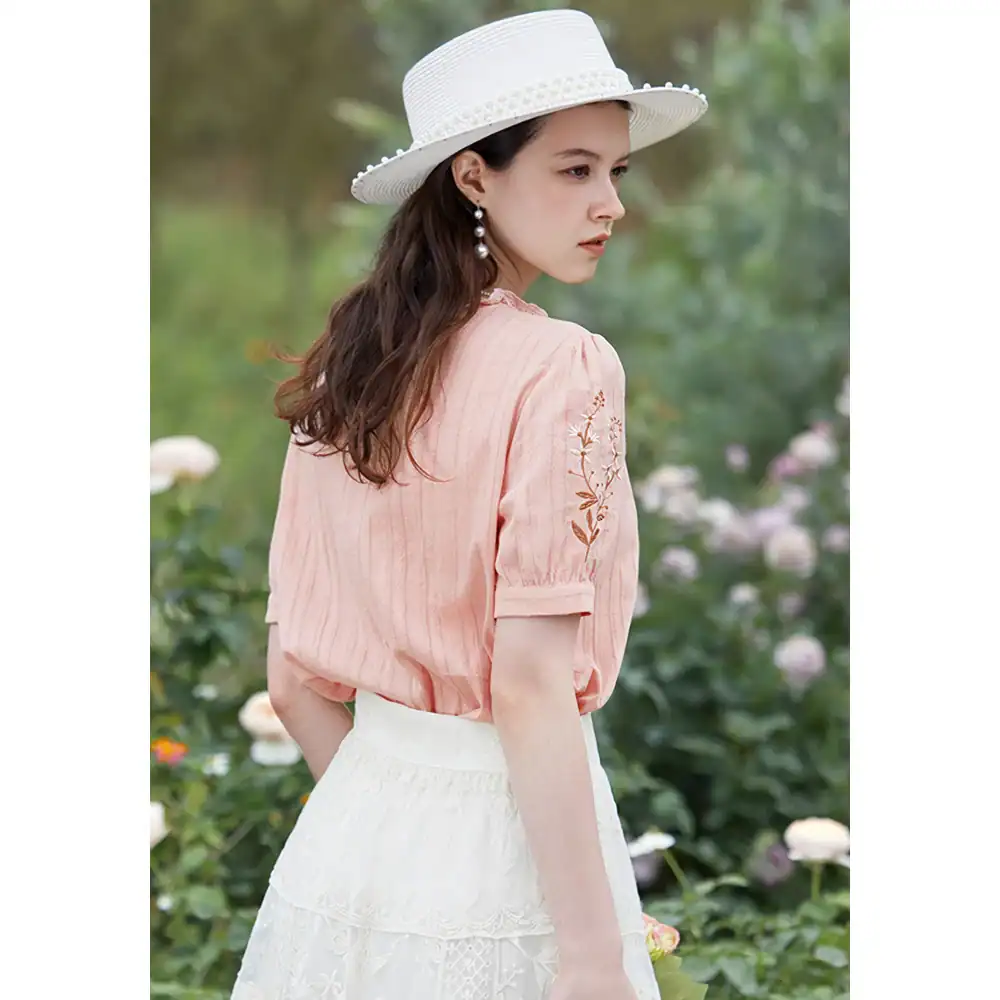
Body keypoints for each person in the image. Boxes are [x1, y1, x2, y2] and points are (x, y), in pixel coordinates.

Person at [230, 9, 707, 1000]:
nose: (610, 202)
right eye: (574, 170)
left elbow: (292, 680)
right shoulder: (563, 367)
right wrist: (589, 949)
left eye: (615, 172)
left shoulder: (344, 377)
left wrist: (397, 844)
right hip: (508, 843)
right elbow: (527, 684)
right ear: (473, 175)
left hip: (352, 849)